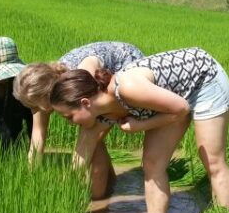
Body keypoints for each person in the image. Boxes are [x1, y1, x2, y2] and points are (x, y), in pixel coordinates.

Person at [49, 47, 229, 213]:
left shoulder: (128, 88)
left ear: (85, 103)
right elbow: (81, 156)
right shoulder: (101, 113)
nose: (70, 123)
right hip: (173, 99)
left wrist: (141, 125)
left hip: (204, 80)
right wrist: (62, 200)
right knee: (152, 164)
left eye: (69, 117)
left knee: (212, 161)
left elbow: (181, 109)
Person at [13, 41, 145, 199]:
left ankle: (98, 199)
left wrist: (68, 183)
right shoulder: (42, 94)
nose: (39, 110)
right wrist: (30, 178)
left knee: (93, 143)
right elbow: (38, 136)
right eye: (33, 107)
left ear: (52, 94)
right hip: (88, 90)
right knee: (91, 143)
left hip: (124, 64)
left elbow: (89, 137)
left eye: (40, 106)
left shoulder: (82, 79)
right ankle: (110, 184)